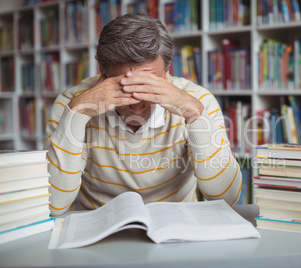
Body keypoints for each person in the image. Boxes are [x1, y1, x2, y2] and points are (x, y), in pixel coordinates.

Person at [45, 12, 242, 216]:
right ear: (103, 77)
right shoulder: (72, 104)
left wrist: (194, 114)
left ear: (167, 74)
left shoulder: (198, 101)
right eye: (123, 89)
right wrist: (78, 113)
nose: (137, 106)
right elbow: (53, 203)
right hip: (99, 230)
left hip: (176, 228)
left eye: (149, 87)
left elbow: (226, 200)